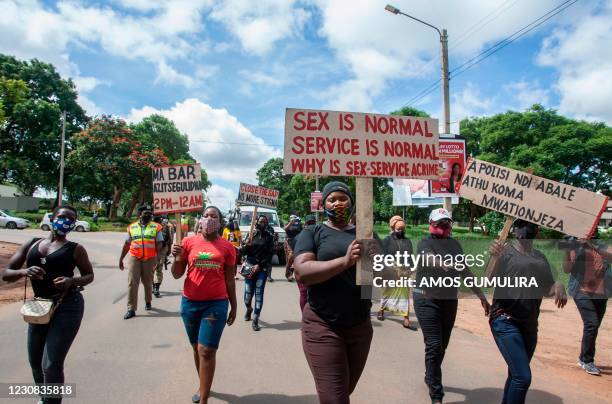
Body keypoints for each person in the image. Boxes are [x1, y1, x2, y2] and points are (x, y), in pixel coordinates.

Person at [2, 205, 94, 404]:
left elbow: (89, 275)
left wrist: (72, 281)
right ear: (52, 219)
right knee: (35, 362)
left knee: (51, 364)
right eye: (62, 217)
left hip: (67, 305)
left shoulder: (75, 249)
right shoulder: (32, 244)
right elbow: (7, 273)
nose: (66, 221)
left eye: (71, 219)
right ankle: (45, 398)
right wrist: (24, 272)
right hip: (39, 306)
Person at [294, 181, 372, 404]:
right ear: (324, 204)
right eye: (332, 199)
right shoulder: (313, 232)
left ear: (352, 202)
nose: (338, 202)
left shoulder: (365, 232)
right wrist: (345, 261)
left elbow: (371, 283)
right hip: (323, 325)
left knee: (343, 391)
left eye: (343, 198)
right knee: (336, 399)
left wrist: (383, 269)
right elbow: (302, 272)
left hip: (360, 327)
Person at [413, 208, 490, 404]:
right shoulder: (425, 243)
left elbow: (466, 271)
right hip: (426, 299)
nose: (444, 226)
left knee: (442, 347)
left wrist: (481, 296)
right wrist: (443, 264)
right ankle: (436, 395)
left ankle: (430, 376)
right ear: (431, 224)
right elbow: (427, 258)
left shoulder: (455, 245)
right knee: (433, 345)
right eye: (440, 223)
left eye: (447, 223)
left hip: (448, 301)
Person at [488, 219, 567, 404]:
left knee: (515, 374)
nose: (526, 228)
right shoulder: (504, 253)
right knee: (523, 377)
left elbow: (546, 288)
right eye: (521, 224)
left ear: (537, 231)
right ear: (514, 230)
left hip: (530, 325)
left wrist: (558, 285)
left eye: (531, 225)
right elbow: (488, 280)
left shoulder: (540, 257)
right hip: (505, 320)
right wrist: (495, 258)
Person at [171, 206, 237, 404]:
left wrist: (234, 306)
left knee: (206, 350)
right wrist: (176, 256)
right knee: (195, 347)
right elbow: (176, 273)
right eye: (206, 215)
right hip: (189, 303)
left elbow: (230, 279)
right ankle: (202, 386)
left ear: (220, 221)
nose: (209, 219)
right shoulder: (188, 242)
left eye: (214, 216)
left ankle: (204, 400)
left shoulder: (227, 247)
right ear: (200, 220)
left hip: (216, 304)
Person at [562, 230, 611, 376]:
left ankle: (583, 357)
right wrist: (567, 250)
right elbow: (566, 269)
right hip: (581, 291)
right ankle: (587, 360)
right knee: (592, 324)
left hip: (601, 292)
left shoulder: (601, 245)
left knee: (594, 327)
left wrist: (592, 246)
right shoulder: (575, 246)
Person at [119, 204, 163, 319]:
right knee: (132, 283)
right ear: (140, 214)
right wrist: (121, 259)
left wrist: (158, 258)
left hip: (150, 258)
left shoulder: (157, 227)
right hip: (135, 257)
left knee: (147, 282)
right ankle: (131, 308)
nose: (148, 215)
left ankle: (148, 301)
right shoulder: (131, 227)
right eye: (146, 213)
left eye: (150, 213)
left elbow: (159, 243)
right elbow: (127, 244)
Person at [377, 215, 416, 330]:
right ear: (393, 228)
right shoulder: (387, 240)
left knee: (405, 294)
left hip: (404, 272)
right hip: (390, 271)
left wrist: (411, 269)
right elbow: (382, 257)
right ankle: (381, 310)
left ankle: (406, 319)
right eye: (398, 229)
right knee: (387, 292)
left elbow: (410, 256)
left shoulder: (407, 241)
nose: (401, 231)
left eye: (403, 229)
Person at [240, 214, 274, 331]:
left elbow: (270, 254)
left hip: (262, 269)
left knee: (259, 294)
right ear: (256, 222)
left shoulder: (269, 237)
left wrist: (259, 265)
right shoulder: (250, 235)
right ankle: (249, 309)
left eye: (265, 222)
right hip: (249, 267)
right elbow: (243, 252)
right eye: (261, 221)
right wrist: (245, 246)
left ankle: (255, 318)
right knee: (247, 295)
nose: (263, 223)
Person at [296, 215, 317, 311]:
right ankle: (305, 315)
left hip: (317, 269)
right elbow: (292, 254)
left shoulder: (320, 235)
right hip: (303, 269)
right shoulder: (300, 236)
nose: (311, 225)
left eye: (313, 223)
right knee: (304, 292)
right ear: (305, 224)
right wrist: (288, 267)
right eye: (309, 223)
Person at [152, 215, 172, 298]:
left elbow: (169, 238)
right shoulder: (148, 225)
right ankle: (153, 285)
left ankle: (156, 287)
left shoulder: (165, 225)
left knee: (159, 267)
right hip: (150, 250)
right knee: (150, 270)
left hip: (162, 249)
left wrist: (169, 249)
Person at [284, 215, 303, 282]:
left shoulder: (299, 225)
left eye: (294, 219)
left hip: (297, 243)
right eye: (292, 219)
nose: (294, 220)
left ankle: (292, 274)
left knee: (296, 259)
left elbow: (302, 232)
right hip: (289, 243)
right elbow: (285, 229)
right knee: (290, 258)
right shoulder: (288, 224)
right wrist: (290, 223)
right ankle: (287, 274)